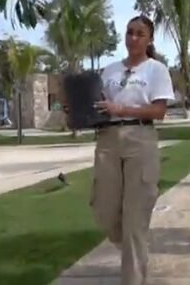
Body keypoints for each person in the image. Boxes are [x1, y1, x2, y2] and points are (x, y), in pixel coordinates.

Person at [66, 15, 174, 285]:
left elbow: (159, 111)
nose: (133, 38)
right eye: (129, 32)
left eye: (140, 33)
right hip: (108, 140)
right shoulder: (109, 71)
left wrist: (122, 109)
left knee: (135, 220)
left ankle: (134, 277)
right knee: (104, 210)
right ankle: (133, 252)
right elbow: (99, 105)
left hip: (141, 138)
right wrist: (78, 110)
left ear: (149, 39)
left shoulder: (156, 70)